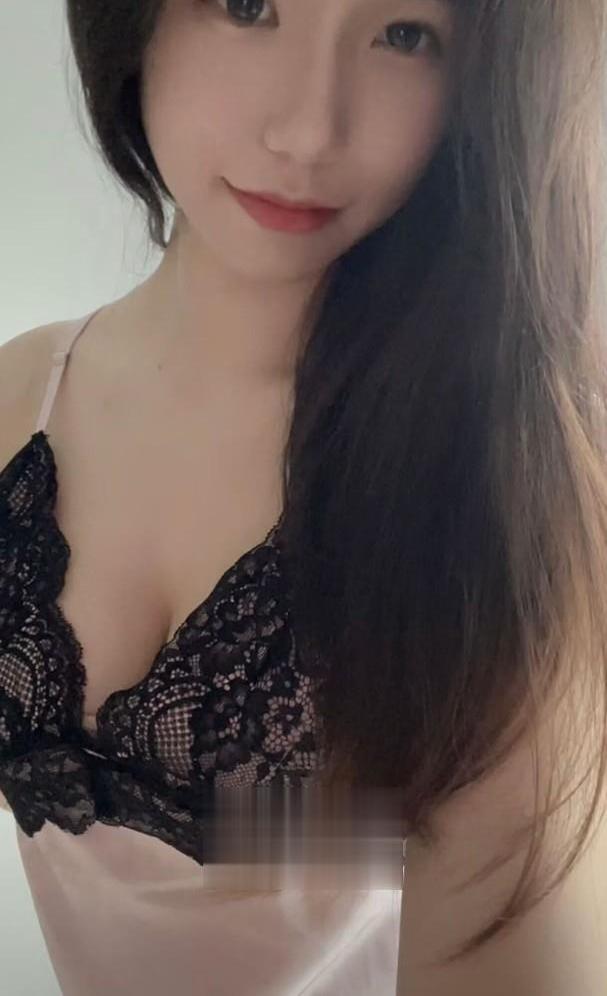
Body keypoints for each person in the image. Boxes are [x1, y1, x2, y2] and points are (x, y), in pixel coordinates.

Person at [1, 0, 607, 993]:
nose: (307, 131)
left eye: (404, 35)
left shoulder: (494, 493)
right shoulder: (19, 396)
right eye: (248, 5)